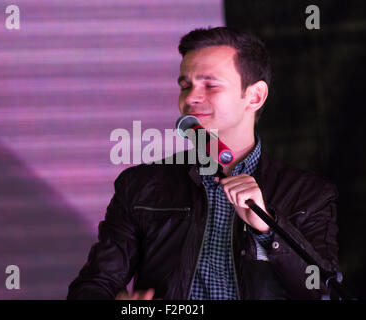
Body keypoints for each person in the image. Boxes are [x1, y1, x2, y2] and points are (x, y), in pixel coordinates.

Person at [67, 27, 341, 300]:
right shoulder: (140, 186)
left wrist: (267, 229)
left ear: (255, 96)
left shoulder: (310, 193)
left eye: (210, 85)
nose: (190, 98)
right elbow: (92, 286)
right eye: (185, 85)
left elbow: (324, 294)